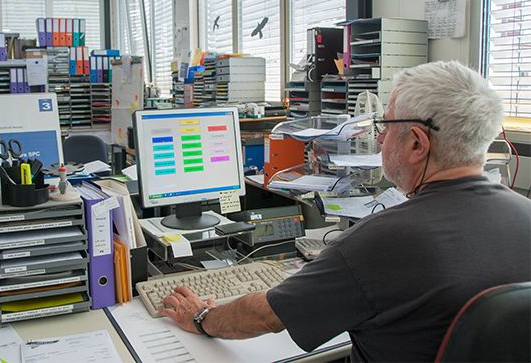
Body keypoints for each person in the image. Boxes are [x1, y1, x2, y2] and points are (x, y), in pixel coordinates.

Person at [160, 61, 531, 362]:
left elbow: (265, 315)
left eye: (385, 127)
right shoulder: (525, 214)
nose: (381, 138)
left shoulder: (383, 240)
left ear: (417, 143)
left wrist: (201, 317)